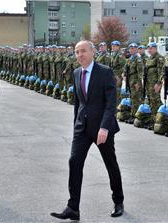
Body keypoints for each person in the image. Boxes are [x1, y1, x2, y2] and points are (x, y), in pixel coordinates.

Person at [50, 40, 124, 220]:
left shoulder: (105, 72)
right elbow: (78, 102)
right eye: (76, 52)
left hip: (101, 128)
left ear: (92, 52)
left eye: (83, 51)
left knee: (110, 164)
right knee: (74, 162)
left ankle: (118, 201)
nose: (79, 55)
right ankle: (72, 207)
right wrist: (76, 123)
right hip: (82, 127)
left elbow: (111, 103)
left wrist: (105, 127)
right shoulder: (76, 73)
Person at [145, 42, 165, 129]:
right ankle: (154, 120)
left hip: (155, 84)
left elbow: (161, 72)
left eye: (151, 48)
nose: (149, 50)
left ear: (155, 48)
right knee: (151, 102)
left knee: (156, 102)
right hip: (148, 83)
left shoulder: (159, 58)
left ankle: (159, 120)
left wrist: (159, 83)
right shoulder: (150, 58)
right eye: (148, 48)